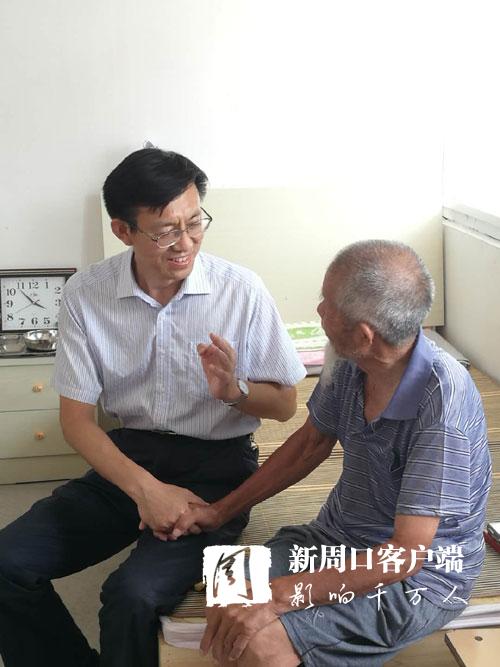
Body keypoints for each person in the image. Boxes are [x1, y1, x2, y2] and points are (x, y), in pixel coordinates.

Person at [0, 148, 306, 667]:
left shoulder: (241, 291)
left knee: (132, 596)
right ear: (123, 231)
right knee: (7, 562)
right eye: (165, 231)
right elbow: (76, 421)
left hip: (218, 470)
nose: (185, 242)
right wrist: (147, 490)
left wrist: (233, 391)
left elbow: (286, 405)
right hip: (127, 461)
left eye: (195, 223)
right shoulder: (87, 294)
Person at [172, 239, 492, 667]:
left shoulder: (441, 406)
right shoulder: (350, 361)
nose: (319, 310)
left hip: (418, 577)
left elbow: (405, 555)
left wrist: (281, 596)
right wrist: (219, 512)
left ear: (364, 334)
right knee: (227, 577)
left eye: (328, 305)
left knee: (257, 644)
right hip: (334, 539)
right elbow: (310, 444)